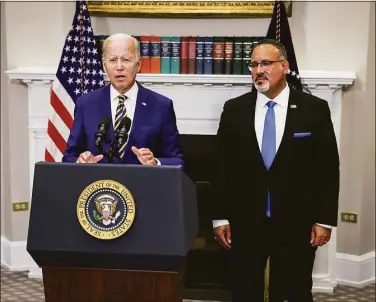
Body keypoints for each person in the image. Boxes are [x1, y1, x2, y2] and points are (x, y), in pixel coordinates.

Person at [211, 39, 339, 301]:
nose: (259, 70)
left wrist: (324, 219)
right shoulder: (234, 110)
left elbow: (327, 168)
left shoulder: (314, 109)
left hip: (296, 223)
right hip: (245, 223)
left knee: (295, 291)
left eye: (266, 63)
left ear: (284, 66)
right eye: (254, 64)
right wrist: (219, 217)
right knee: (245, 291)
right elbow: (221, 167)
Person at [62, 33, 183, 166]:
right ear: (104, 65)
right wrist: (81, 161)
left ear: (138, 65)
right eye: (113, 60)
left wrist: (155, 163)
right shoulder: (86, 104)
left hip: (142, 184)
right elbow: (69, 156)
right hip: (100, 185)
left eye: (126, 60)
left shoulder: (161, 106)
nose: (119, 67)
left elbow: (177, 161)